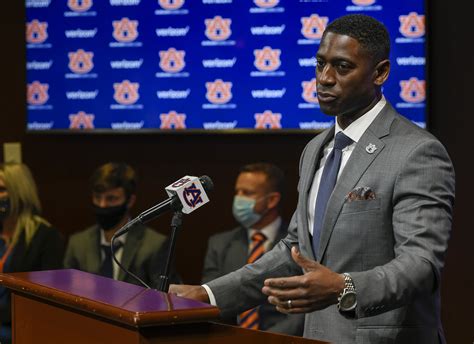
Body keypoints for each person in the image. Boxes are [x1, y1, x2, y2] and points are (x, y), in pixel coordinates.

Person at [170, 14, 455, 344]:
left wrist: (343, 286)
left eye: (342, 67)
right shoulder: (315, 149)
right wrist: (208, 294)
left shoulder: (417, 152)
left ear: (380, 72)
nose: (324, 78)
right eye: (320, 64)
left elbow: (420, 265)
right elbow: (295, 251)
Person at [202, 162, 304, 335]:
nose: (238, 198)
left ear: (272, 200)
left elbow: (303, 311)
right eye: (237, 192)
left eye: (247, 193)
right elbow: (210, 301)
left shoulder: (300, 244)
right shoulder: (219, 244)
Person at [64, 162, 180, 287]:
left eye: (111, 198)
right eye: (98, 198)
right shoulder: (78, 243)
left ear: (130, 201)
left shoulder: (154, 245)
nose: (102, 205)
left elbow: (167, 298)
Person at [0, 163, 64, 344]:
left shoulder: (45, 236)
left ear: (19, 192)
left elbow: (47, 300)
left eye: (2, 190)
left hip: (21, 328)